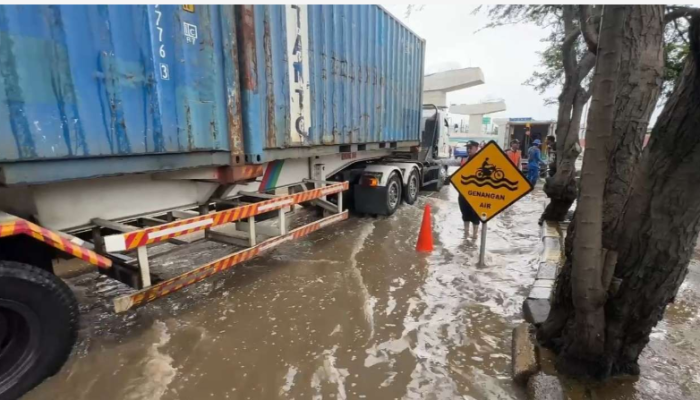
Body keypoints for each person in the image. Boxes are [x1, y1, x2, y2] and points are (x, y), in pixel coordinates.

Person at [458, 141, 481, 238]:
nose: (468, 150)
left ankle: (475, 236)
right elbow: (451, 162)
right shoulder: (464, 159)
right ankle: (466, 234)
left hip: (476, 193)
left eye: (470, 147)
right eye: (467, 148)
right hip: (463, 192)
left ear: (476, 148)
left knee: (476, 215)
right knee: (465, 213)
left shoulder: (481, 160)